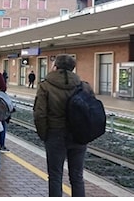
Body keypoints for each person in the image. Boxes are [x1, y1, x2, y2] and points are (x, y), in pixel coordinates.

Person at [33, 54, 89, 197]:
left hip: (55, 134)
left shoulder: (45, 86)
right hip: (78, 135)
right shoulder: (83, 86)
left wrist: (44, 134)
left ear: (55, 67)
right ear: (73, 68)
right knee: (77, 177)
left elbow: (40, 114)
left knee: (55, 176)